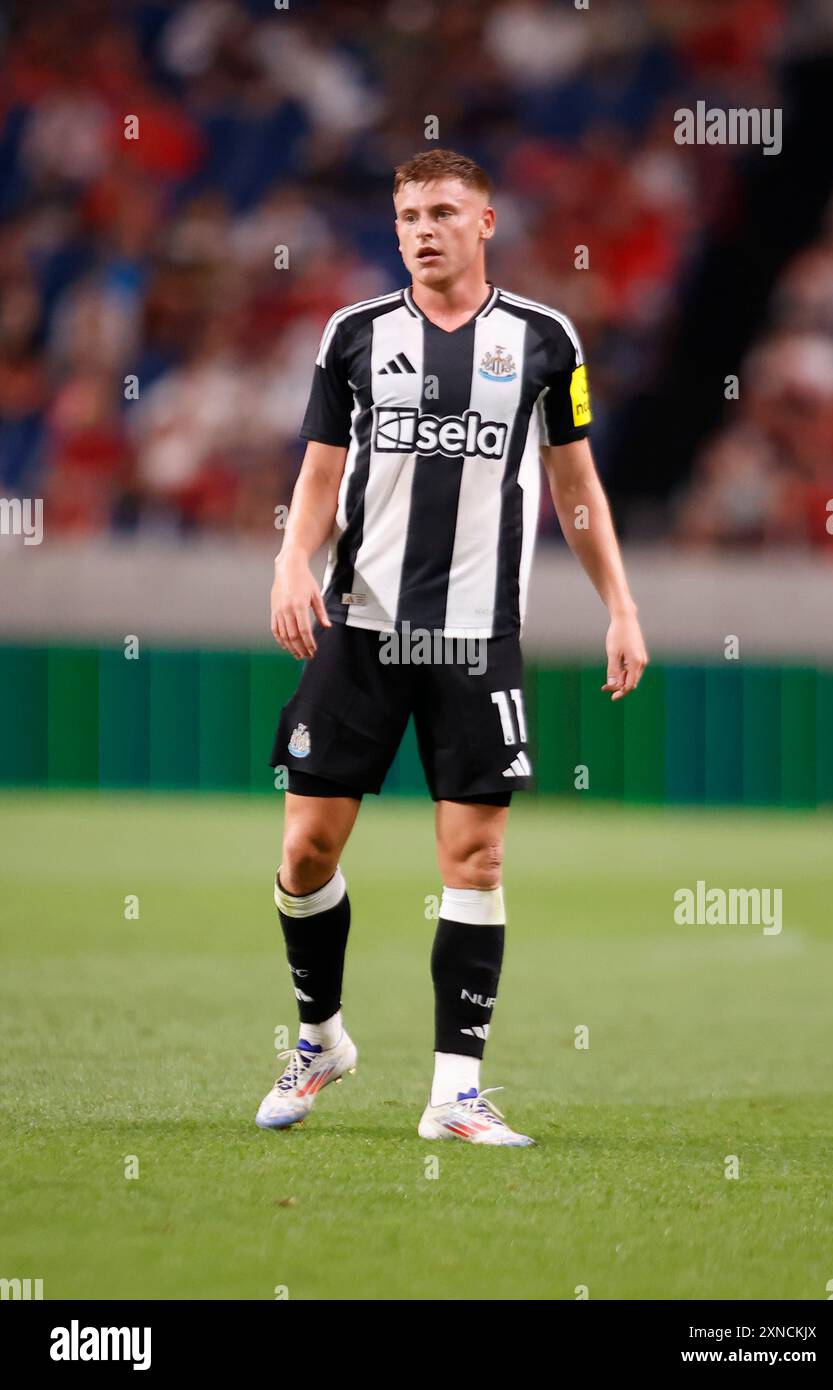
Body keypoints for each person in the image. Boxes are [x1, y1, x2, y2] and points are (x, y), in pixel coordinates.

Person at [257, 149, 648, 1145]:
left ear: (485, 222)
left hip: (477, 640)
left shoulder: (544, 340)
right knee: (306, 848)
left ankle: (454, 1092)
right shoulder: (352, 334)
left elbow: (573, 486)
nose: (420, 229)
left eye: (440, 211)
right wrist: (290, 563)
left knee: (473, 856)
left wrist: (620, 604)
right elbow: (316, 474)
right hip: (364, 628)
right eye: (406, 215)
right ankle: (319, 1039)